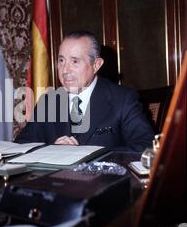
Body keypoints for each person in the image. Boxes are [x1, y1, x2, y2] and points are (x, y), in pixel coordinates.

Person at [15, 30, 154, 152]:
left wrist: (86, 155)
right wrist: (51, 151)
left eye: (75, 61)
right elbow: (22, 146)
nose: (65, 70)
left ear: (96, 65)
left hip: (103, 180)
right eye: (61, 60)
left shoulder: (123, 99)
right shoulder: (49, 101)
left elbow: (146, 147)